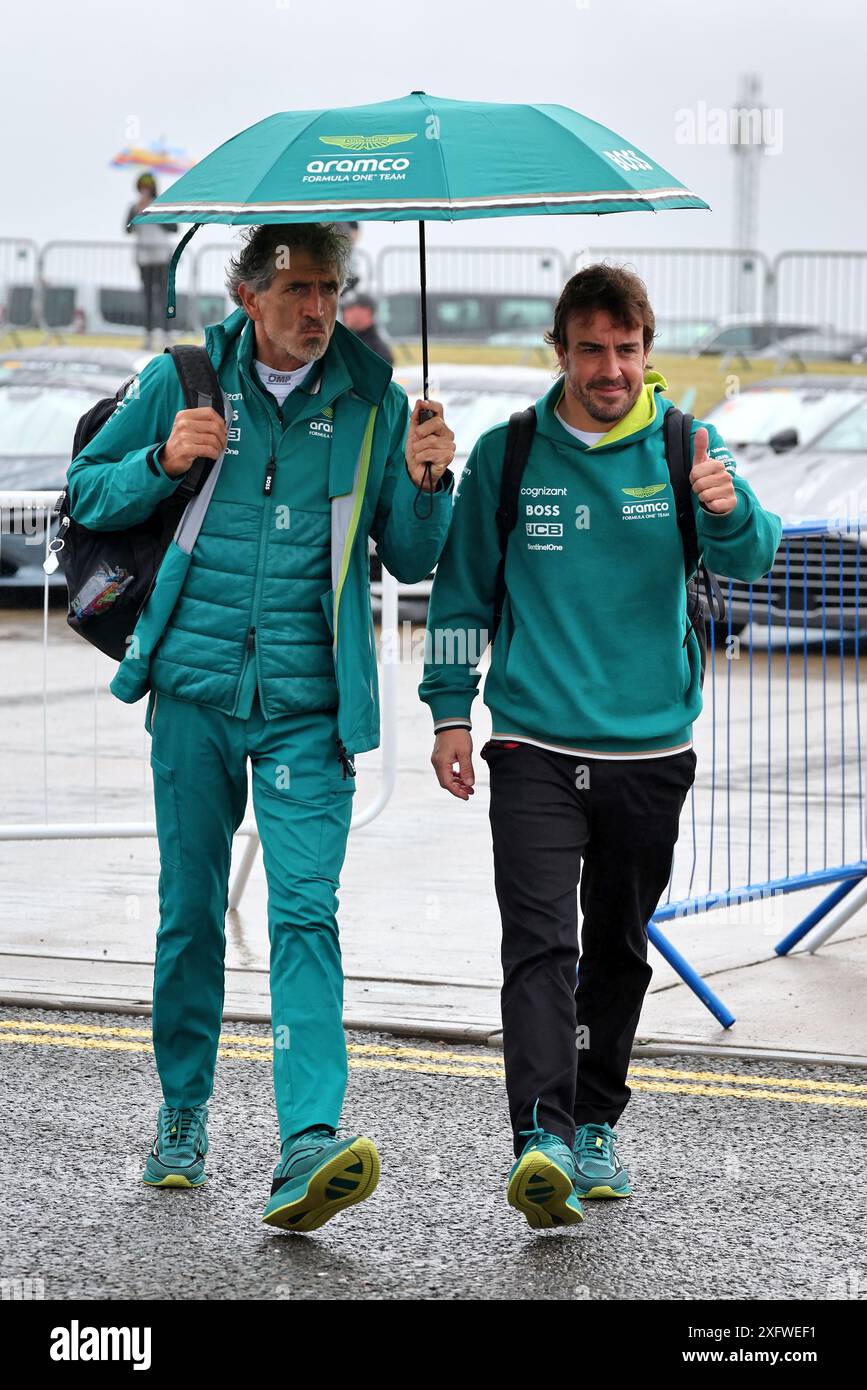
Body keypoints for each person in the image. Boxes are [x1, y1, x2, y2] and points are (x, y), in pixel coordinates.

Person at [66, 222, 456, 1232]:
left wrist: (426, 481)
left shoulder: (374, 397)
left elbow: (410, 560)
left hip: (306, 710)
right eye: (295, 290)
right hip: (193, 696)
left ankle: (307, 1141)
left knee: (304, 915)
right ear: (247, 295)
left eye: (329, 288)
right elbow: (87, 495)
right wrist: (161, 456)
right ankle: (183, 1116)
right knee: (190, 909)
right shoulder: (183, 379)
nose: (316, 310)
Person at [418, 263, 782, 1230]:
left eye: (626, 349)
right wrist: (451, 711)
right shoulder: (509, 453)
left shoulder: (684, 447)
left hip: (648, 750)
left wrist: (726, 506)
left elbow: (751, 556)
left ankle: (594, 1122)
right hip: (531, 742)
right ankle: (539, 1134)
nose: (609, 367)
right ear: (561, 351)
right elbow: (459, 599)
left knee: (615, 951)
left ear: (646, 350)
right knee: (539, 944)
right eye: (590, 349)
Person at [124, 173, 177, 350]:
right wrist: (136, 212)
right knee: (147, 298)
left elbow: (174, 227)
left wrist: (155, 213)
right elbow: (127, 230)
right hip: (144, 258)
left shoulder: (162, 205)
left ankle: (167, 335)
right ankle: (147, 336)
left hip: (162, 257)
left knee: (163, 297)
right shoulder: (134, 207)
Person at [341, 291, 394, 366]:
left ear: (367, 311)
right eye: (343, 309)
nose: (345, 313)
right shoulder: (345, 341)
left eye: (350, 308)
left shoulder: (378, 352)